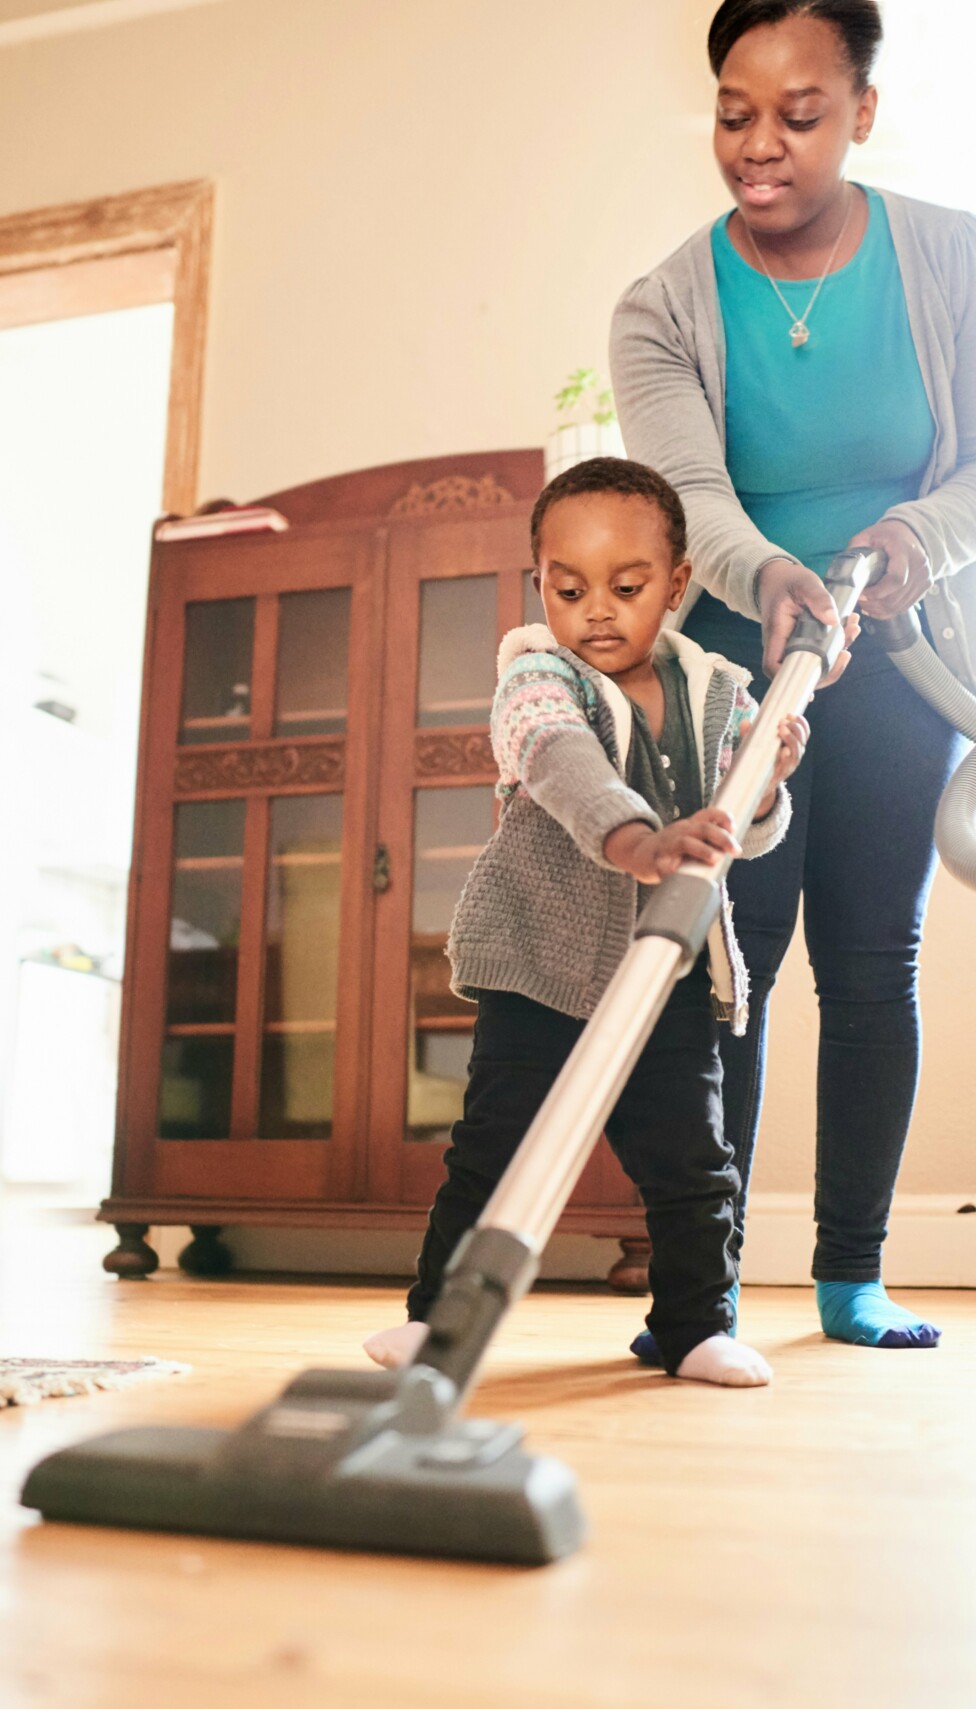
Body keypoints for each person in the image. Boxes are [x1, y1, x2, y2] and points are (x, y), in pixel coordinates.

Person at [611, 0, 976, 1350]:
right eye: (736, 112)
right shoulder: (661, 307)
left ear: (862, 109)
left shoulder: (954, 257)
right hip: (736, 671)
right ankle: (708, 1285)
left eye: (800, 114)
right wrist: (772, 584)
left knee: (871, 962)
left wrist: (908, 539)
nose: (759, 145)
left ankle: (851, 1275)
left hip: (904, 655)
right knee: (725, 967)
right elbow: (687, 497)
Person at [362, 457, 807, 1387]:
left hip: (670, 974)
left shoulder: (722, 691)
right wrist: (634, 836)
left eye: (627, 586)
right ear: (541, 588)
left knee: (694, 1161)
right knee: (494, 1146)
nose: (596, 609)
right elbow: (558, 760)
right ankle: (436, 1313)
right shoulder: (535, 676)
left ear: (677, 586)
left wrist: (764, 786)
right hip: (540, 962)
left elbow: (748, 835)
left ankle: (696, 1325)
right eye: (569, 588)